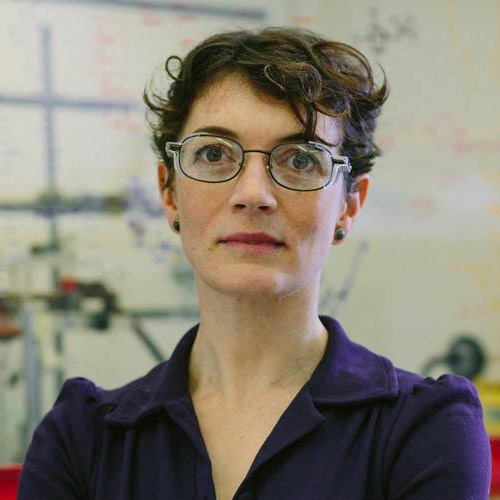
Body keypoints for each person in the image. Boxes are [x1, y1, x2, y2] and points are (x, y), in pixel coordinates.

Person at [17, 27, 491, 500]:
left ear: (349, 203)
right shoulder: (82, 439)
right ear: (169, 192)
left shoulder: (423, 429)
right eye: (213, 154)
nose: (252, 195)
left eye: (301, 159)